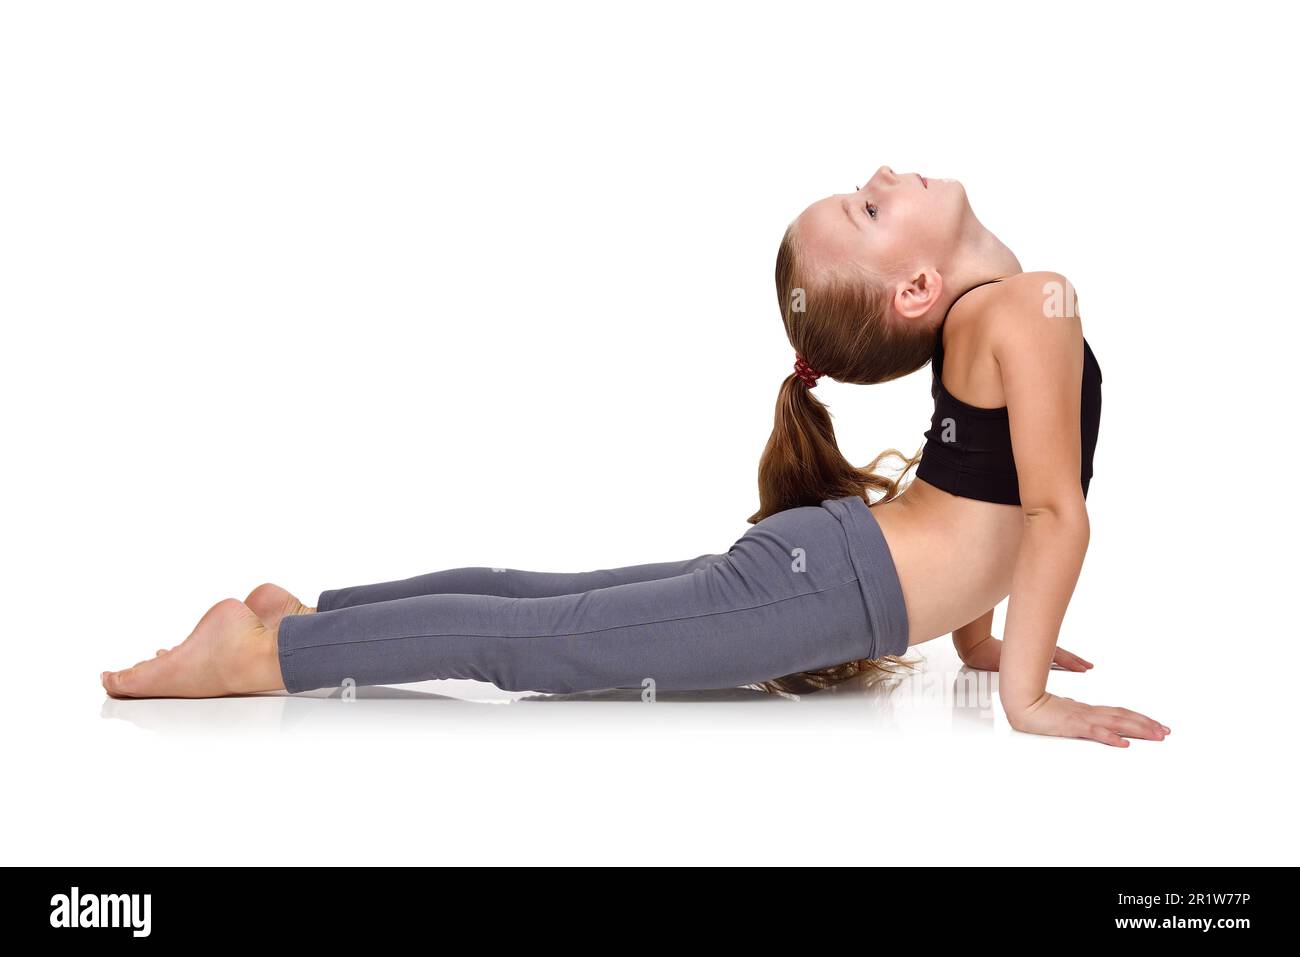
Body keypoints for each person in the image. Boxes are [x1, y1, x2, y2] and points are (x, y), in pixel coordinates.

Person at [101, 166, 1169, 747]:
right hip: (834, 576)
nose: (884, 172)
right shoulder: (1032, 303)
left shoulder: (1013, 305)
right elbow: (1049, 511)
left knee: (542, 603)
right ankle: (262, 655)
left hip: (835, 569)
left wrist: (981, 646)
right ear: (913, 293)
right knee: (540, 642)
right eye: (870, 205)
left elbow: (976, 476)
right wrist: (1023, 697)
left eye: (865, 194)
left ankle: (310, 617)